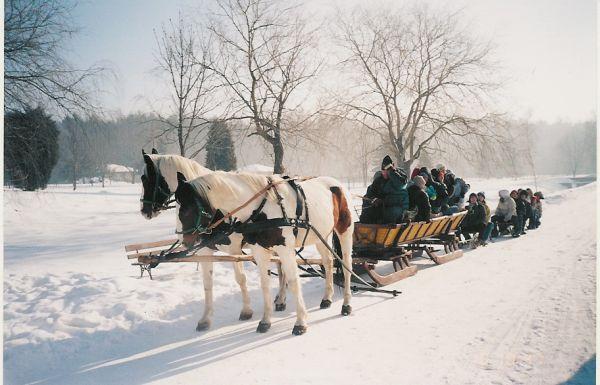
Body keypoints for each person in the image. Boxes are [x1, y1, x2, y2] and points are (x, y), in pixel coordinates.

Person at [380, 155, 409, 224]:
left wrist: (391, 172)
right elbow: (373, 191)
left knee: (393, 211)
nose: (385, 172)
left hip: (399, 210)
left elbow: (400, 185)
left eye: (386, 170)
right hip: (386, 208)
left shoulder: (400, 177)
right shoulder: (381, 179)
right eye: (383, 170)